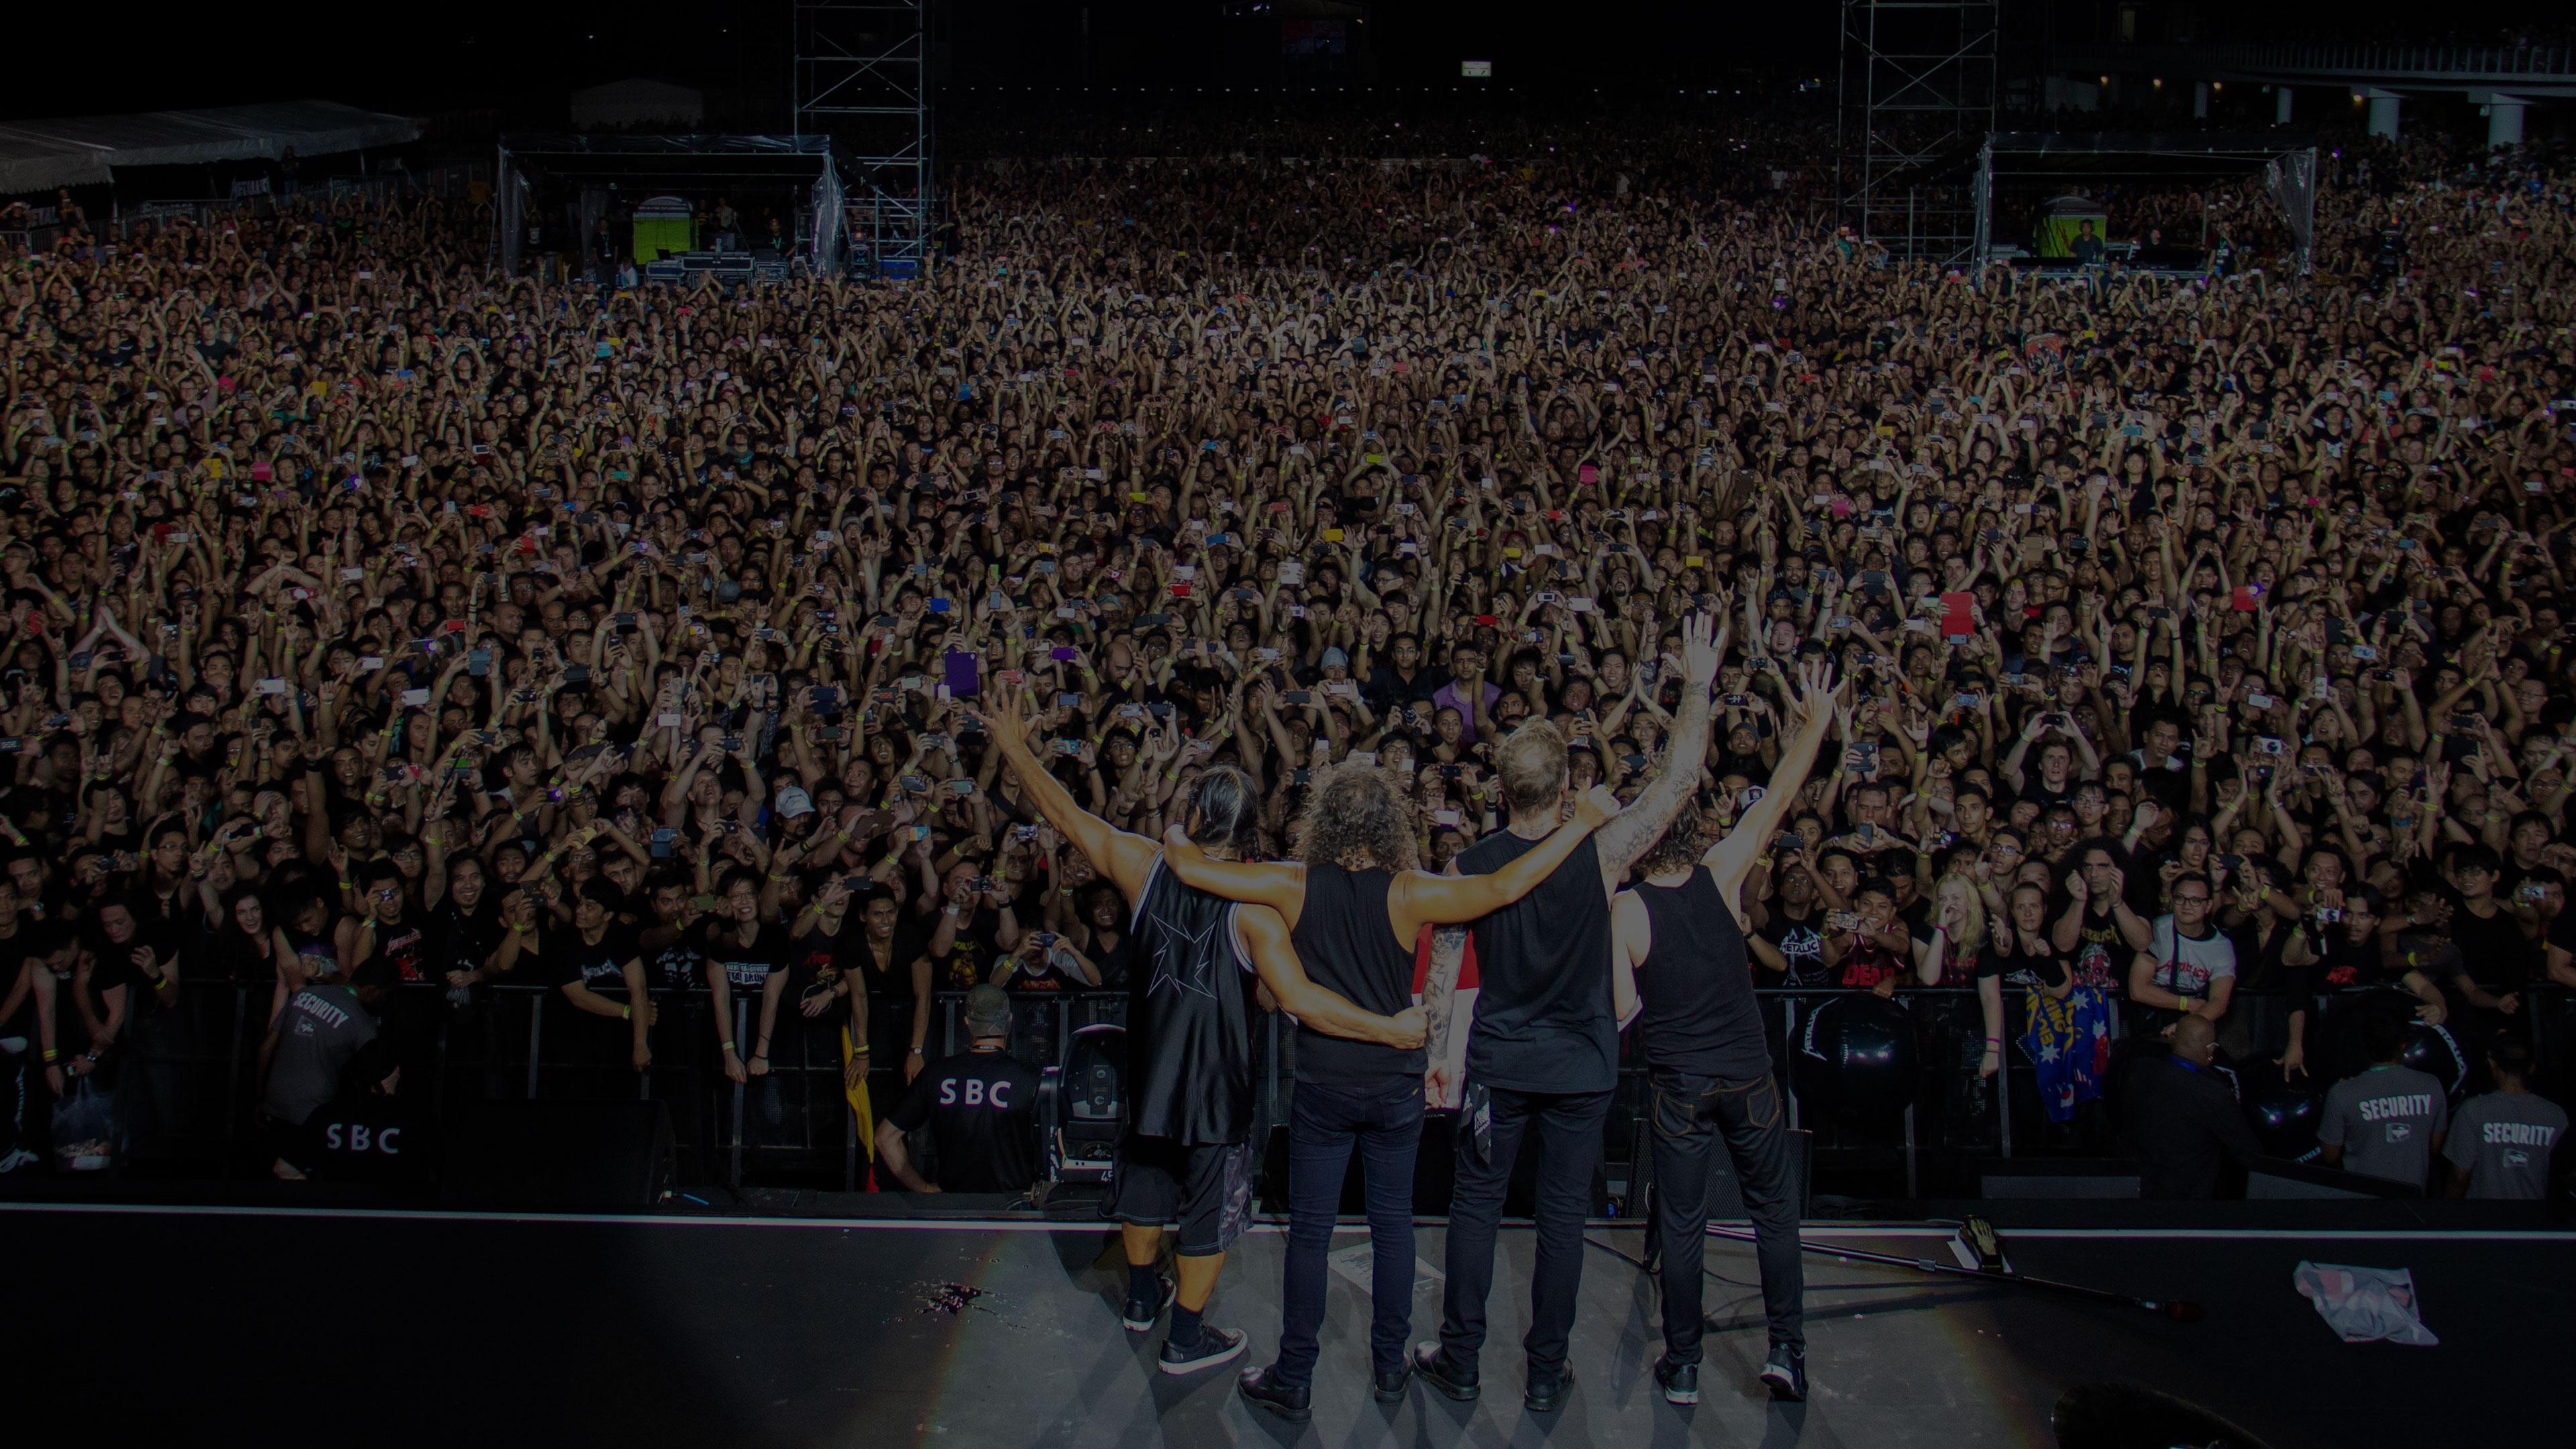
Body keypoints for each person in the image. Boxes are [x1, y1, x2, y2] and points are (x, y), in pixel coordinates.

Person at [972, 686, 1424, 1377]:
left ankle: (1141, 1296)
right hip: (1217, 1095)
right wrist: (1391, 1030)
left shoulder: (1142, 868)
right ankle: (1186, 1336)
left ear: (1191, 817)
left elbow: (1065, 814)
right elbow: (1300, 1001)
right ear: (1249, 835)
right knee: (1207, 1218)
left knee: (1147, 1188)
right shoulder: (1257, 914)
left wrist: (1011, 745)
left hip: (1151, 1078)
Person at [1153, 761, 1620, 1422]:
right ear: (1389, 824)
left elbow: (1192, 869)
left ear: (1324, 821)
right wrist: (1584, 826)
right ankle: (1391, 1370)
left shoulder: (1292, 884)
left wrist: (1177, 827)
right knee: (1393, 1229)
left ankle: (1294, 1376)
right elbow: (1508, 883)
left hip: (1324, 1083)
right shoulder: (1409, 892)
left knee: (1311, 1236)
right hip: (1394, 1084)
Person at [1411, 612, 1722, 1414]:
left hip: (1502, 1061)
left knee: (1475, 1208)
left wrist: (1436, 1054)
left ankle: (1464, 1360)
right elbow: (1680, 780)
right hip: (1584, 1064)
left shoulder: (1472, 862)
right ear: (1565, 789)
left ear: (1500, 785)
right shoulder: (1601, 848)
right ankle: (1546, 1371)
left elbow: (1445, 966)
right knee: (1559, 1220)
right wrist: (1695, 683)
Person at [1611, 659, 1836, 1405]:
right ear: (1696, 831)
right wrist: (1815, 725)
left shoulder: (1630, 909)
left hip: (1679, 1086)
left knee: (1683, 1224)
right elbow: (1777, 799)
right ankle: (1789, 1354)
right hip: (1748, 1076)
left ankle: (1682, 1366)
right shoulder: (1722, 867)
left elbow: (1619, 1012)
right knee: (1774, 1214)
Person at [875, 984, 1042, 1194]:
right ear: (1008, 1021)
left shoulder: (936, 1075)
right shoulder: (1031, 1079)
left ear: (967, 1023)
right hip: (1013, 1210)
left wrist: (923, 1188)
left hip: (953, 1209)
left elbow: (885, 1138)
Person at [256, 955, 396, 1179]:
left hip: (273, 1106)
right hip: (312, 1119)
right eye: (385, 996)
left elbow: (265, 1051)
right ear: (372, 990)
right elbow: (376, 1078)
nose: (385, 1002)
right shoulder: (363, 1024)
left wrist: (259, 1099)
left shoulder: (304, 994)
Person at [2119, 1014, 2264, 1199]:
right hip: (2188, 1205)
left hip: (2139, 1193)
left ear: (2173, 1039)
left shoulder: (2139, 1072)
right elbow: (2249, 1153)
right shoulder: (2213, 1094)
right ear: (2210, 1051)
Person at [2320, 1001, 2448, 1191]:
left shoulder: (2342, 1093)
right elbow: (2435, 1148)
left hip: (2363, 1204)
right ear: (2404, 1045)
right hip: (2414, 1205)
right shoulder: (2432, 1086)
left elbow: (2329, 1155)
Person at [2443, 1039, 2566, 1201]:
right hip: (2535, 1218)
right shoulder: (2555, 1115)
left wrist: (2448, 1212)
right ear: (2532, 1067)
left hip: (2485, 1218)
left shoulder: (2473, 1110)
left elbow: (2459, 1176)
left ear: (2492, 1064)